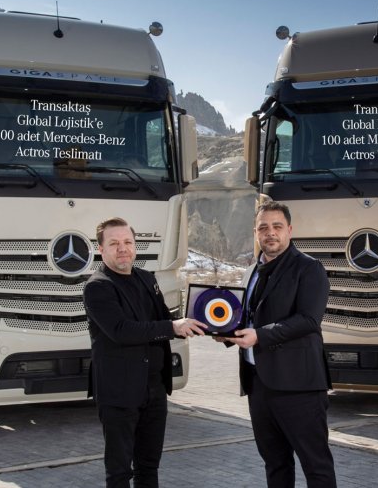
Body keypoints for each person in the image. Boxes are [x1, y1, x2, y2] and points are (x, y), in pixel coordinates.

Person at [219, 201, 337, 488]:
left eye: (277, 226)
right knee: (275, 464)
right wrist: (226, 332)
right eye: (263, 227)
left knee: (316, 466)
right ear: (255, 233)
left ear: (290, 230)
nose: (270, 233)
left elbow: (308, 320)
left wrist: (260, 335)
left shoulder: (309, 268)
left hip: (299, 386)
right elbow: (246, 317)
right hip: (258, 384)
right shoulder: (251, 271)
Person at [84, 217, 207, 488]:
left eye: (128, 242)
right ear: (101, 249)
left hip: (154, 390)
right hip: (119, 393)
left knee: (149, 468)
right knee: (119, 473)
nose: (123, 248)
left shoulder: (146, 278)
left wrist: (205, 323)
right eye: (114, 243)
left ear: (135, 245)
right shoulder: (97, 287)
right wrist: (172, 326)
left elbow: (165, 319)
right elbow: (121, 330)